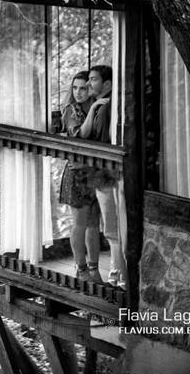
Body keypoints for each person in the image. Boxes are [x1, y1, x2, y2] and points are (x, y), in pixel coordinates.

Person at [78, 65, 127, 288]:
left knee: (112, 228)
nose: (89, 84)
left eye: (93, 80)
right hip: (107, 172)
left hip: (107, 173)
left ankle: (119, 274)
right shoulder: (100, 105)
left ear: (107, 84)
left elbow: (100, 140)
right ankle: (118, 273)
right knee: (112, 227)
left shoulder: (105, 109)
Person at [58, 71, 102, 283]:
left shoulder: (98, 106)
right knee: (80, 223)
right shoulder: (71, 110)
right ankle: (81, 268)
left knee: (94, 223)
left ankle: (94, 269)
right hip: (77, 173)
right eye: (75, 88)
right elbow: (82, 135)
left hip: (95, 172)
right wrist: (93, 107)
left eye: (83, 88)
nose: (78, 92)